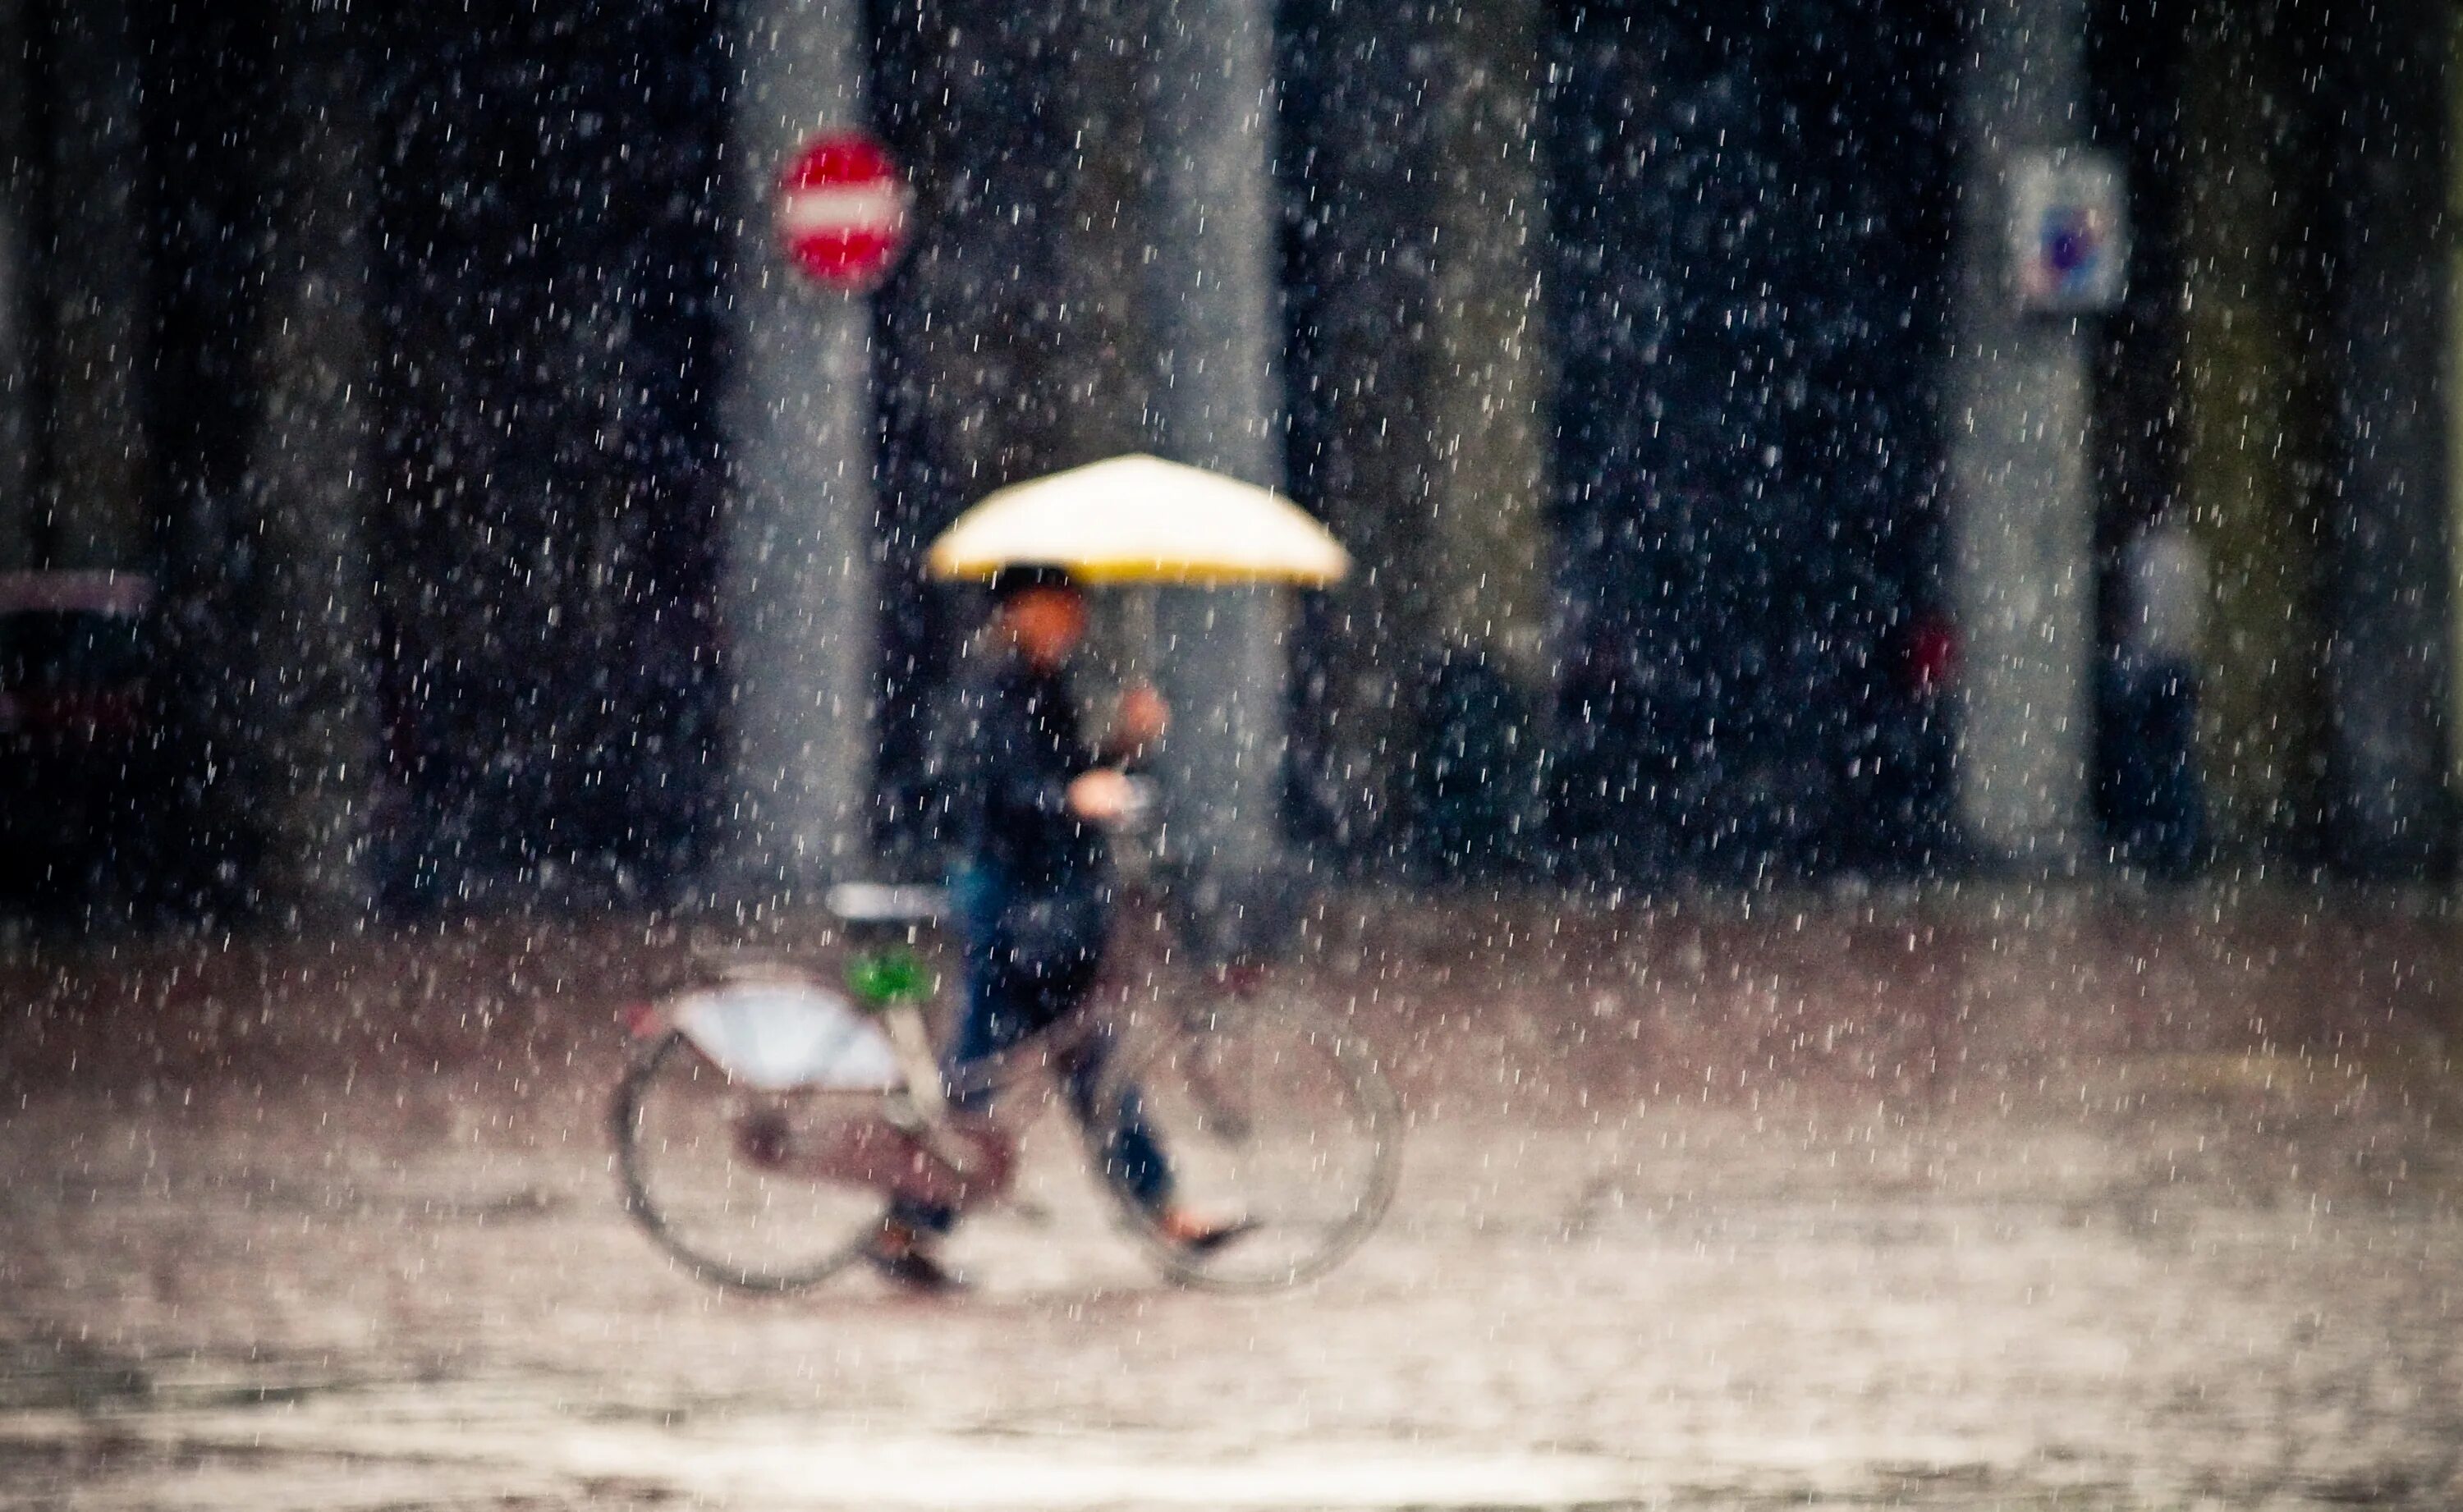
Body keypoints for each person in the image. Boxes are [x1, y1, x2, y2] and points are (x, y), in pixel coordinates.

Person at [869, 564, 1249, 1290]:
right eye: (1058, 605)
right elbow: (998, 790)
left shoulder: (1038, 684)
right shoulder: (993, 687)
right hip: (1017, 901)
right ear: (1023, 610)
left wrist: (1120, 746)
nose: (1072, 620)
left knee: (1072, 1063)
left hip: (1046, 900)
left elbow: (1059, 776)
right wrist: (1074, 795)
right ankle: (914, 1221)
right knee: (1008, 1068)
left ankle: (916, 1224)